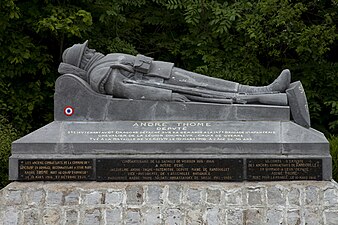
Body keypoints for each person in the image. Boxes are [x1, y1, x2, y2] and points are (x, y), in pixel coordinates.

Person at [58, 40, 291, 105]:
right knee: (212, 91)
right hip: (163, 83)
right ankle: (263, 94)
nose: (92, 50)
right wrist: (167, 96)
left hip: (164, 72)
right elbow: (133, 89)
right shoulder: (100, 73)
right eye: (87, 52)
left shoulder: (103, 62)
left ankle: (264, 91)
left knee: (211, 83)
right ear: (83, 60)